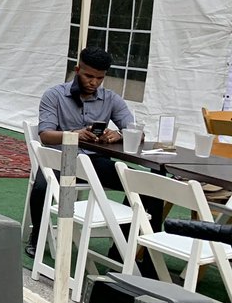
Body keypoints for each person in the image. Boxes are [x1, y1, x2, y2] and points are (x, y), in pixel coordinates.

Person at [26, 46, 156, 257]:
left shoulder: (111, 98)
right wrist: (74, 134)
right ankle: (37, 236)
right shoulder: (54, 95)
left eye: (99, 78)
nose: (93, 82)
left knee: (143, 185)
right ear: (77, 70)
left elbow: (137, 132)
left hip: (95, 162)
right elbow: (46, 135)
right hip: (60, 159)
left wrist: (120, 135)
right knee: (42, 187)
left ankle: (120, 248)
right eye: (88, 76)